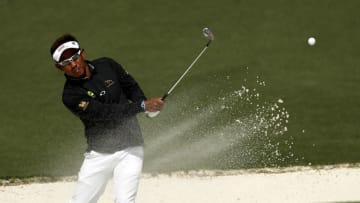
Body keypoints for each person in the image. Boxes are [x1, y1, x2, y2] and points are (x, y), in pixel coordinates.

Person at [50, 34, 164, 203]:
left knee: (125, 200)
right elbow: (105, 113)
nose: (73, 65)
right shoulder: (71, 95)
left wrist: (145, 103)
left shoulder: (107, 65)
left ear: (82, 53)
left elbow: (130, 86)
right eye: (66, 63)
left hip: (131, 147)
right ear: (59, 68)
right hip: (99, 154)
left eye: (75, 57)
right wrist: (141, 107)